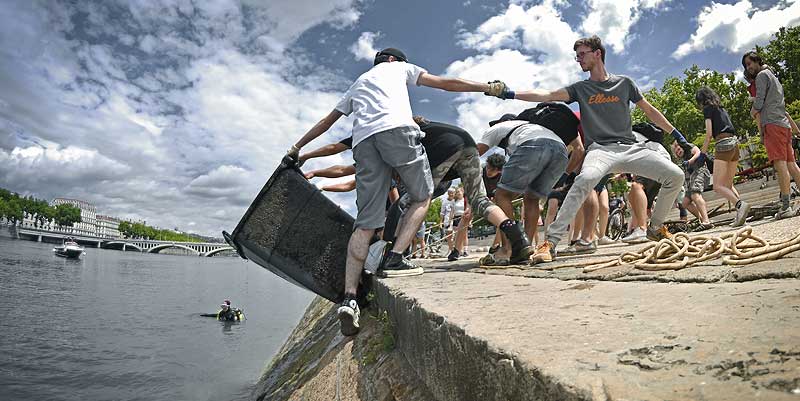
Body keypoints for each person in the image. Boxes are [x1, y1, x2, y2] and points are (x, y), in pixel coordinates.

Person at [287, 50, 510, 336]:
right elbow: (444, 83)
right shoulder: (399, 68)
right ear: (395, 60)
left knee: (365, 224)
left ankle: (350, 298)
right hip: (397, 131)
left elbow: (327, 124)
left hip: (364, 142)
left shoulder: (358, 84)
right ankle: (395, 257)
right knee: (422, 195)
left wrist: (298, 150)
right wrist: (485, 87)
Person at [488, 35, 690, 264]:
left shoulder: (625, 83)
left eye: (582, 54)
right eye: (577, 56)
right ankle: (550, 242)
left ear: (597, 53)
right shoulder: (581, 88)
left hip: (630, 146)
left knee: (676, 175)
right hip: (600, 150)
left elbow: (650, 111)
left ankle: (655, 227)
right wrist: (509, 93)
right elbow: (547, 95)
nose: (578, 60)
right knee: (585, 179)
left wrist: (679, 137)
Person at [477, 103, 584, 265]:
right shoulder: (529, 126)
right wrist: (563, 176)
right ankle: (524, 247)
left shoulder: (497, 128)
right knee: (532, 198)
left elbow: (473, 155)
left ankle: (508, 249)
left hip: (533, 145)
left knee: (502, 195)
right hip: (560, 151)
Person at [743, 51, 800, 219]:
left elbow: (760, 101)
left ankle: (785, 206)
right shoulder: (773, 77)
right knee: (792, 165)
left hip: (772, 124)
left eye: (750, 63)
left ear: (758, 61)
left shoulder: (761, 76)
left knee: (780, 165)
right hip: (783, 124)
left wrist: (752, 110)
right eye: (746, 65)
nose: (749, 67)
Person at [695, 86, 749, 226]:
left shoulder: (708, 109)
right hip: (734, 144)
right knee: (729, 185)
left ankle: (739, 205)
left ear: (702, 100)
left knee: (717, 186)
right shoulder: (721, 108)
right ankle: (741, 215)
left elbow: (708, 134)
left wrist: (702, 154)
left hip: (723, 144)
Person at [672, 141, 713, 230]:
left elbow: (698, 152)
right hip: (691, 180)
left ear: (682, 147)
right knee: (685, 203)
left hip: (700, 172)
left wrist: (690, 161)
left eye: (679, 149)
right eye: (677, 152)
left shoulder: (689, 148)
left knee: (695, 195)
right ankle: (702, 219)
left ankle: (706, 221)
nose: (678, 152)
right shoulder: (682, 161)